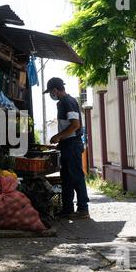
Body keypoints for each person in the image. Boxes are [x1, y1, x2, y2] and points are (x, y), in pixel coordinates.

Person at [44, 78, 90, 219]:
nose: (51, 95)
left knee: (76, 176)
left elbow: (75, 125)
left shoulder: (67, 102)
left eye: (51, 93)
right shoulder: (63, 103)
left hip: (72, 144)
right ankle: (67, 208)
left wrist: (58, 136)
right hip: (67, 144)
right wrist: (61, 141)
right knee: (67, 178)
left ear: (55, 91)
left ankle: (83, 208)